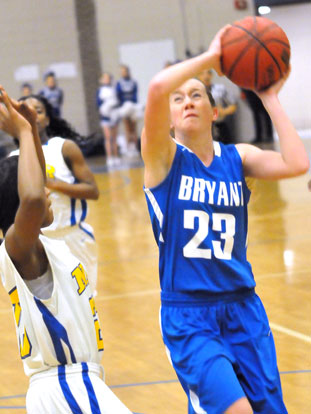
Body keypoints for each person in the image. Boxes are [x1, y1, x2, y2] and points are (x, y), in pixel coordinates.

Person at [141, 26, 309, 414]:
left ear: (214, 111)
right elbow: (155, 89)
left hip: (244, 308)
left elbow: (297, 163)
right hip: (190, 315)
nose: (188, 102)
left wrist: (269, 97)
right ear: (167, 120)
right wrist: (212, 57)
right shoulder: (163, 162)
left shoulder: (237, 158)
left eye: (197, 95)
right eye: (179, 98)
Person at [0, 86, 132, 414]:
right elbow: (32, 198)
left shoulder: (41, 247)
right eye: (39, 190)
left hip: (77, 386)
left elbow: (35, 192)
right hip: (66, 389)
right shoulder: (19, 249)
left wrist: (29, 129)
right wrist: (22, 133)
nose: (47, 193)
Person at [10, 94, 99, 293]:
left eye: (38, 111)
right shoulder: (13, 160)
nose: (33, 115)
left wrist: (52, 183)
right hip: (38, 242)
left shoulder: (64, 147)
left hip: (73, 237)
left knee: (85, 303)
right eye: (25, 112)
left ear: (48, 118)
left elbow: (92, 190)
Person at [198, 68, 237, 144]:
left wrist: (224, 111)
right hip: (202, 127)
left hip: (219, 124)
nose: (206, 76)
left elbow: (233, 105)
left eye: (208, 73)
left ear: (211, 75)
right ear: (198, 76)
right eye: (202, 74)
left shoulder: (220, 89)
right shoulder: (195, 91)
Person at [116, 64, 142, 156]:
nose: (123, 73)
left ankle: (135, 147)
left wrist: (135, 106)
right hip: (124, 107)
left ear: (128, 72)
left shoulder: (133, 82)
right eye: (122, 72)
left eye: (125, 71)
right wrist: (121, 106)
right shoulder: (119, 83)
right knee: (127, 128)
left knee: (133, 128)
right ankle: (128, 148)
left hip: (133, 107)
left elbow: (135, 94)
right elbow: (118, 95)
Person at [96, 72, 121, 168]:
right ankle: (109, 157)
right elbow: (98, 104)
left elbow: (118, 101)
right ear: (102, 80)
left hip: (114, 115)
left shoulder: (114, 89)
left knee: (114, 137)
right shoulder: (100, 90)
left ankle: (116, 156)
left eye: (108, 78)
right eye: (105, 78)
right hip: (105, 116)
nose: (107, 80)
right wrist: (104, 110)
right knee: (108, 137)